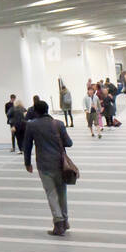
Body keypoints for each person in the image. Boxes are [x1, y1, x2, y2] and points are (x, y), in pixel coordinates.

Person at [22, 100, 74, 236]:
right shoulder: (58, 124)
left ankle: (58, 224)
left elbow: (27, 146)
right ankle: (65, 221)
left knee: (51, 193)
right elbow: (69, 143)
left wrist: (27, 163)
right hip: (60, 164)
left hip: (44, 165)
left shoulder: (31, 125)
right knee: (62, 193)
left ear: (36, 112)